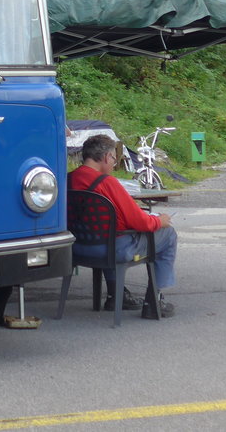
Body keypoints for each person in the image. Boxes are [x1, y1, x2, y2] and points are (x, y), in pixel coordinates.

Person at [69, 133, 178, 318]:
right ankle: (153, 301)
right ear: (105, 157)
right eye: (114, 158)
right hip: (111, 250)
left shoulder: (68, 179)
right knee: (168, 234)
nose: (114, 163)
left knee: (105, 233)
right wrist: (160, 221)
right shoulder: (108, 183)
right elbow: (139, 222)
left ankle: (116, 295)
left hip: (77, 248)